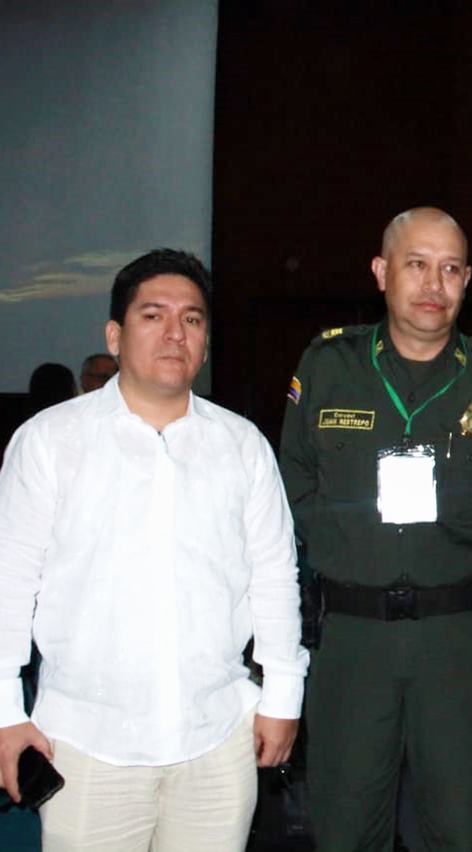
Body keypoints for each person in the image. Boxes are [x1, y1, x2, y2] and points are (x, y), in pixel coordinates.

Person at [0, 248, 308, 851]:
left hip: (216, 740)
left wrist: (284, 695)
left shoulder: (241, 446)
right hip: (88, 748)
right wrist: (7, 713)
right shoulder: (49, 443)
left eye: (192, 319)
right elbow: (9, 584)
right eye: (153, 316)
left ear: (207, 342)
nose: (175, 332)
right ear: (114, 336)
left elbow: (274, 575)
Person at [279, 206, 472, 850]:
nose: (434, 284)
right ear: (380, 272)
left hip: (460, 639)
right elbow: (294, 489)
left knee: (460, 827)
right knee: (344, 827)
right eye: (416, 265)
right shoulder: (325, 366)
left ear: (467, 279)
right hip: (351, 642)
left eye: (450, 269)